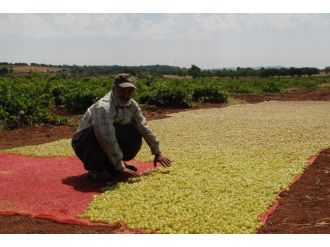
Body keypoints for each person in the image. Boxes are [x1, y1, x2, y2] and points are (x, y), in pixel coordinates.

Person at [71, 73, 171, 180]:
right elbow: (106, 138)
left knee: (134, 129)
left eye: (130, 90)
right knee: (97, 132)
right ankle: (96, 168)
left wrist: (157, 152)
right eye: (122, 90)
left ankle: (111, 165)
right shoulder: (104, 107)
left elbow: (144, 127)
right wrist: (120, 166)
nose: (126, 94)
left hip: (106, 139)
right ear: (114, 88)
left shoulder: (132, 105)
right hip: (85, 142)